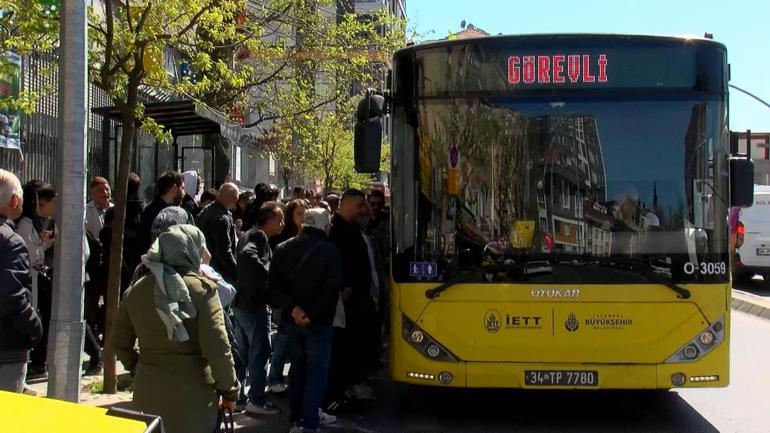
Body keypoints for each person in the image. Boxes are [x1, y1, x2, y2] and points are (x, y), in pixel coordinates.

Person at [113, 224, 239, 433]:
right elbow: (217, 347)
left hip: (148, 391)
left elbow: (119, 342)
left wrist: (138, 367)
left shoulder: (136, 290)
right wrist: (229, 391)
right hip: (194, 396)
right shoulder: (202, 290)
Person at [268, 209, 342, 432]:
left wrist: (294, 310)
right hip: (318, 323)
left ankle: (297, 419)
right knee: (316, 373)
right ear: (324, 226)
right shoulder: (330, 251)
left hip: (291, 322)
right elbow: (331, 289)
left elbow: (273, 287)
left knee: (297, 370)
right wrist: (311, 314)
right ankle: (310, 421)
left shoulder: (282, 248)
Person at [234, 202, 284, 415]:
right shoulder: (259, 237)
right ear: (269, 220)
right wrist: (270, 276)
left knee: (243, 353)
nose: (282, 224)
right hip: (254, 306)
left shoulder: (249, 234)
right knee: (259, 353)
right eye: (280, 220)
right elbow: (248, 256)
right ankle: (256, 399)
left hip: (241, 303)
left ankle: (239, 398)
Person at [325, 189, 374, 411]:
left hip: (358, 298)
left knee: (353, 344)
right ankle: (340, 390)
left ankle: (349, 384)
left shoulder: (352, 229)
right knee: (343, 347)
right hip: (346, 300)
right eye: (359, 205)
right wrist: (344, 286)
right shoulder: (336, 231)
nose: (363, 210)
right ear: (345, 204)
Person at [0, 169, 43, 393]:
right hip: (6, 349)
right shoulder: (11, 241)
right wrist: (34, 327)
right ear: (14, 200)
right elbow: (12, 297)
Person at [16, 181, 56, 378]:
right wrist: (44, 244)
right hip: (30, 276)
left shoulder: (31, 224)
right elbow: (33, 255)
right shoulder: (25, 225)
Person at [101, 173, 145, 296]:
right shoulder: (143, 212)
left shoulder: (113, 213)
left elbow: (107, 240)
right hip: (137, 267)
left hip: (116, 269)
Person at [197, 183, 240, 284]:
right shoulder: (222, 218)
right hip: (219, 273)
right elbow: (224, 252)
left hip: (205, 266)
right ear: (234, 200)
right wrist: (237, 273)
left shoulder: (206, 210)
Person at [138, 171, 188, 255]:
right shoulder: (162, 214)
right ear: (174, 188)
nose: (184, 193)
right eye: (182, 188)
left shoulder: (153, 208)